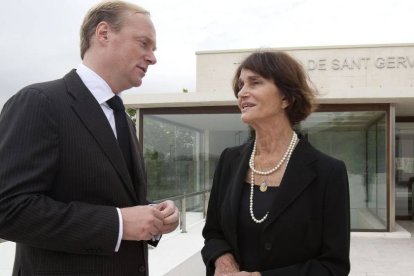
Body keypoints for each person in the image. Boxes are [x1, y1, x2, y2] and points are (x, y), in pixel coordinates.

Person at [0, 1, 179, 275]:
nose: (152, 57)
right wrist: (118, 223)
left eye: (153, 49)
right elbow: (9, 210)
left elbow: (112, 199)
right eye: (144, 43)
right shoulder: (40, 102)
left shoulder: (123, 119)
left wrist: (154, 216)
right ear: (104, 34)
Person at [202, 51, 350, 276]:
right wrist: (224, 262)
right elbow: (213, 233)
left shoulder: (328, 172)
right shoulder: (229, 161)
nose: (242, 92)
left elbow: (333, 266)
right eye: (240, 85)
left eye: (255, 82)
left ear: (286, 98)